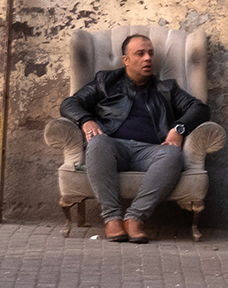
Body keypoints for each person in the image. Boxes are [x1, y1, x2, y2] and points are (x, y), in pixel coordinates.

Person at [60, 33, 209, 243]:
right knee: (97, 143)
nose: (148, 58)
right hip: (112, 146)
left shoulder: (167, 88)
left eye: (150, 53)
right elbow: (69, 104)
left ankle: (135, 218)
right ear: (126, 60)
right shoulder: (105, 81)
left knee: (172, 154)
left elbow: (200, 109)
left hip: (150, 151)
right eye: (140, 54)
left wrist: (179, 128)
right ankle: (111, 219)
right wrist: (85, 119)